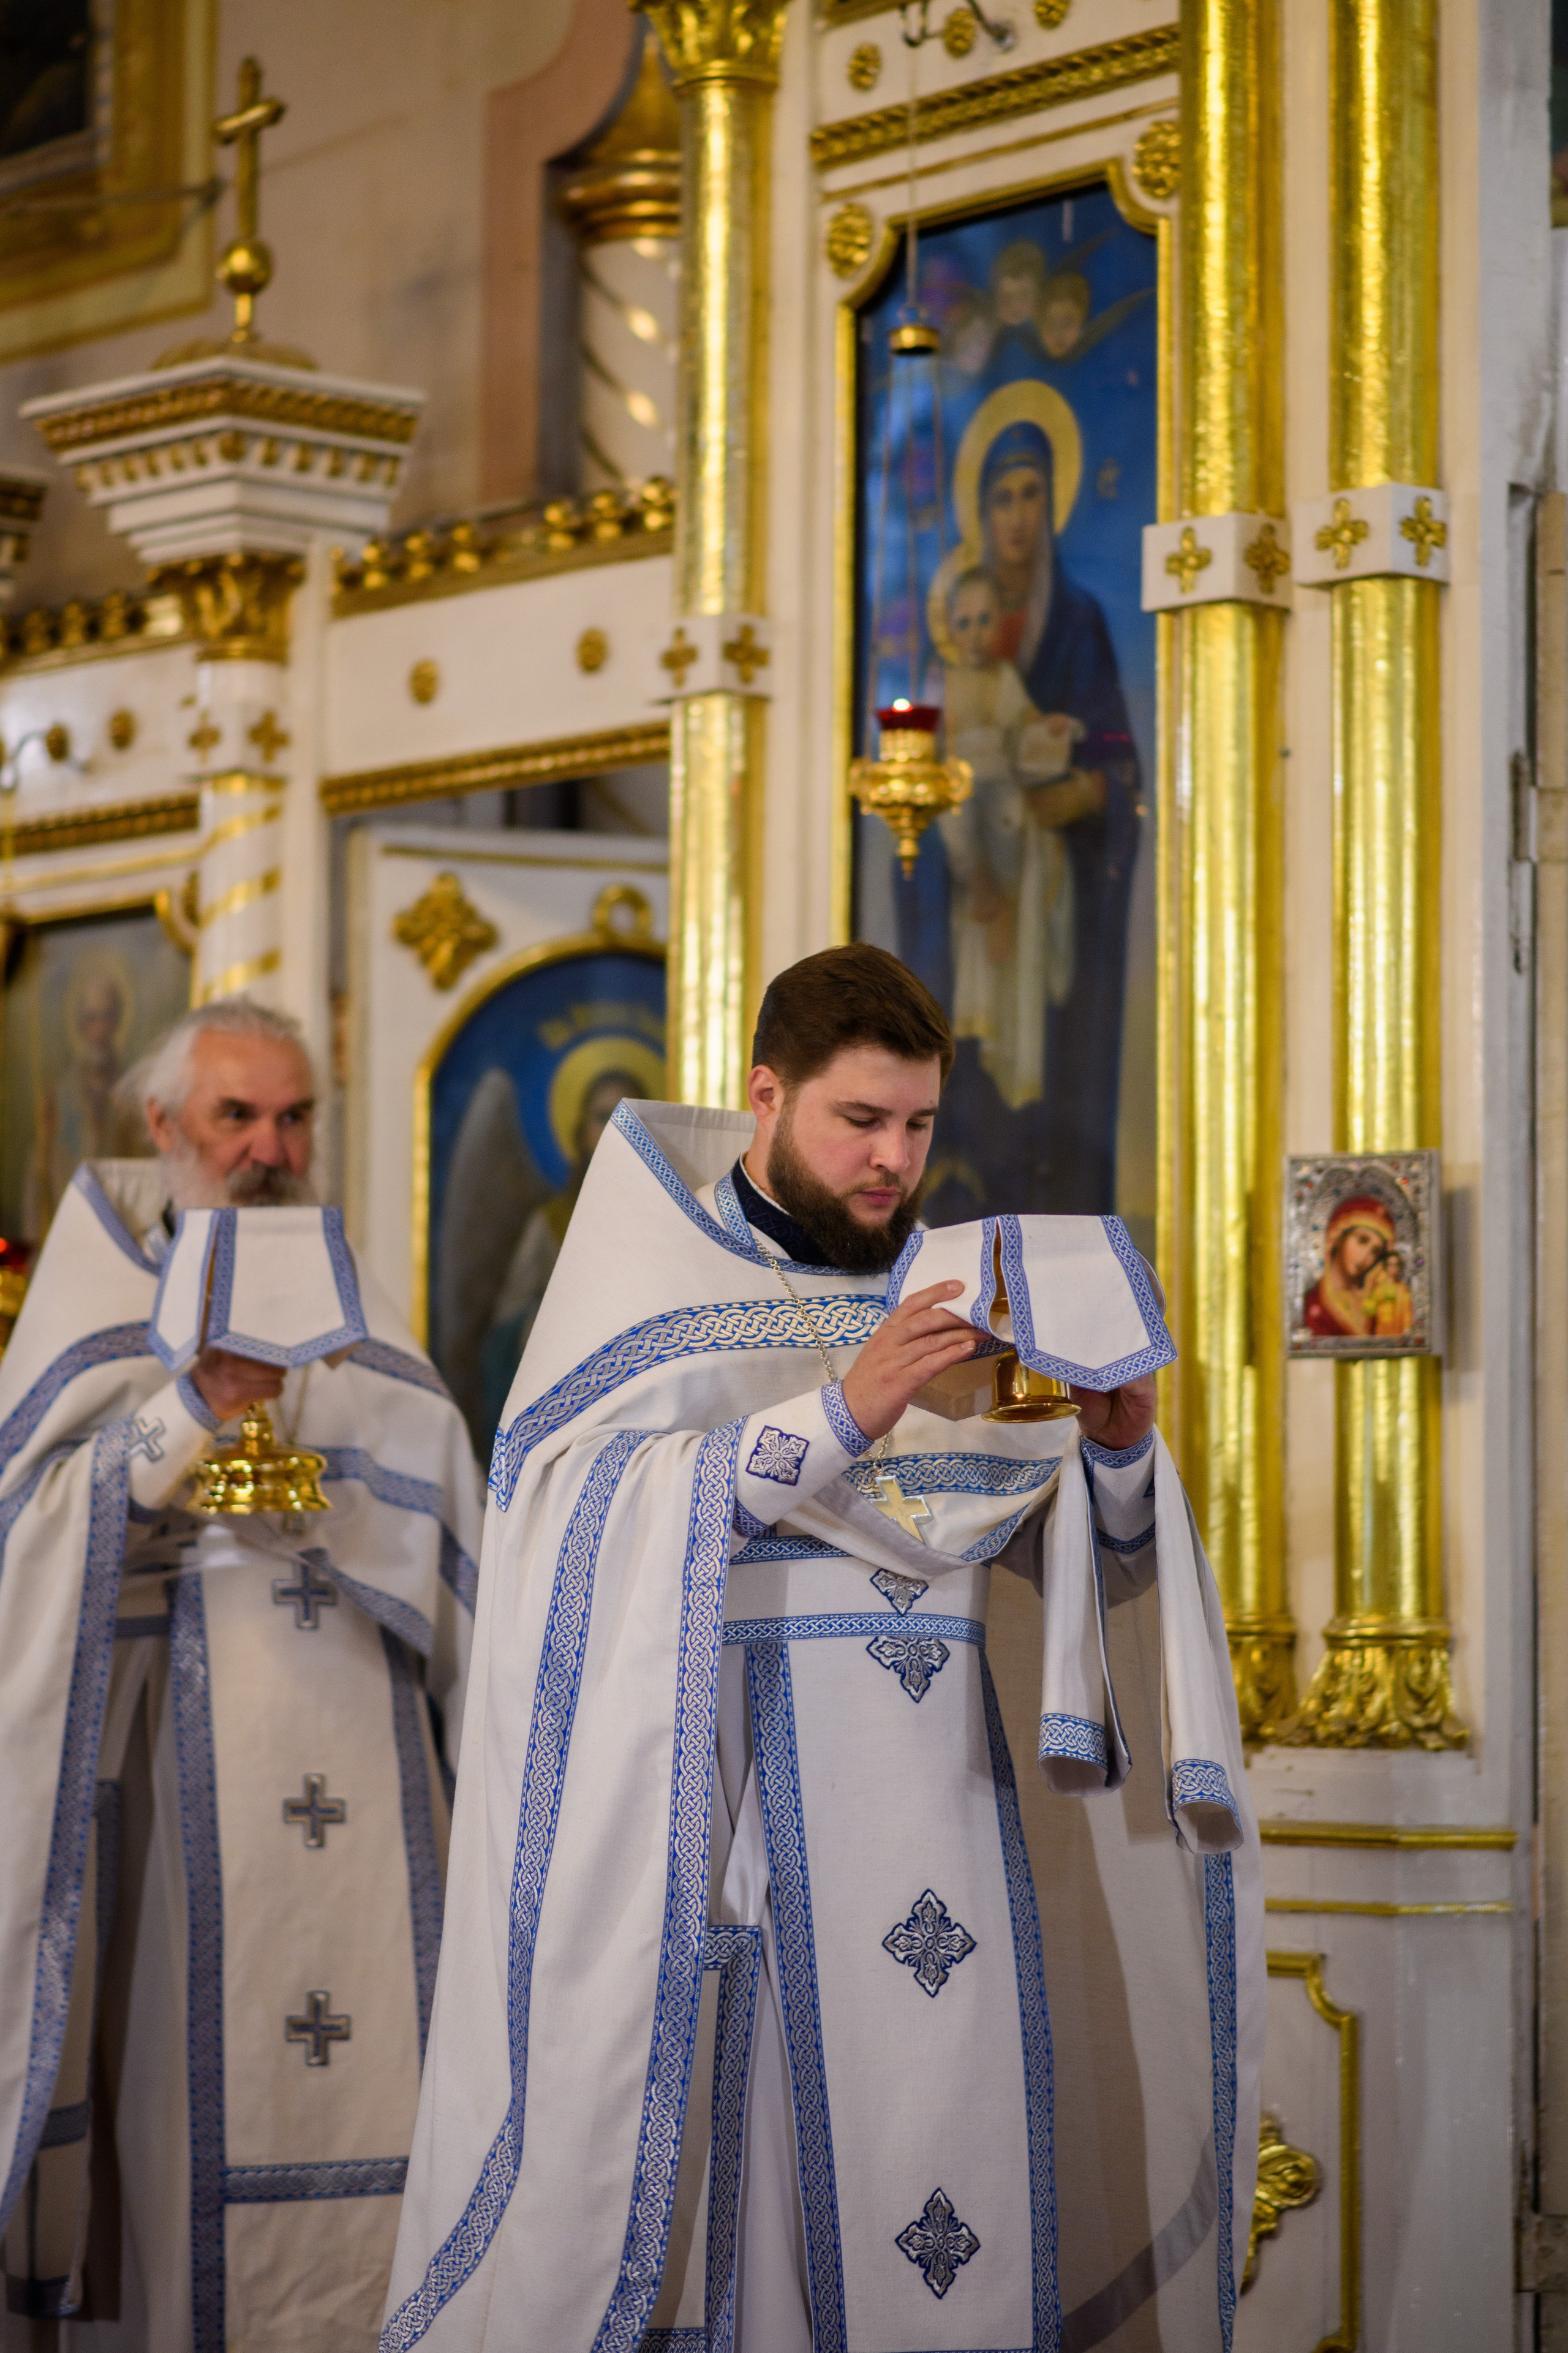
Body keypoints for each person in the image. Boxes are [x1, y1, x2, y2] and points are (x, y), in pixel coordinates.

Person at [384, 944, 1262, 2353]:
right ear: (763, 1094)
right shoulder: (640, 1290)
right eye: (858, 1121)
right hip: (745, 1852)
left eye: (917, 1127)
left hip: (959, 1854)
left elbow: (1015, 1558)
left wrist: (1111, 1457)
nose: (892, 1164)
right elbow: (572, 1535)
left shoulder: (944, 1292)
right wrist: (834, 1416)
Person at [0, 998, 483, 2352]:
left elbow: (446, 1507)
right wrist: (189, 1408)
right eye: (238, 1116)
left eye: (294, 1115)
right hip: (167, 1770)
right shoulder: (96, 1300)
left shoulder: (346, 1296)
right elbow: (27, 1541)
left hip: (365, 1748)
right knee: (182, 2111)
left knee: (389, 2083)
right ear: (164, 1129)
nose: (272, 1147)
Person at [938, 564, 1080, 1111]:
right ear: (949, 627)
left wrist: (1050, 732)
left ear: (1002, 625)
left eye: (985, 620)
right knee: (982, 941)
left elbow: (1024, 727)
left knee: (1020, 948)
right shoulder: (946, 683)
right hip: (970, 824)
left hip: (1015, 833)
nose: (975, 632)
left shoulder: (1002, 678)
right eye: (964, 621)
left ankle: (1016, 1058)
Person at [1302, 1195, 1414, 1339]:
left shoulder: (1376, 1301)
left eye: (1375, 1252)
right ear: (1338, 1236)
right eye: (1362, 1240)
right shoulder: (1312, 1304)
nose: (1366, 1257)